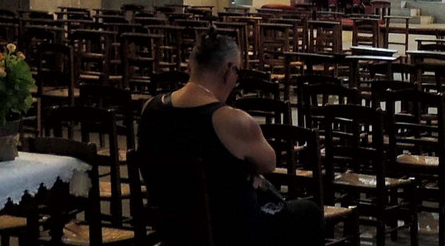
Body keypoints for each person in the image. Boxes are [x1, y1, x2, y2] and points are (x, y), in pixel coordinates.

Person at [137, 34, 321, 243]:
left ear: (190, 66)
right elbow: (269, 163)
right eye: (237, 73)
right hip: (227, 230)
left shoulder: (149, 108)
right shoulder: (229, 119)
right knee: (308, 212)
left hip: (172, 228)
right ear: (229, 69)